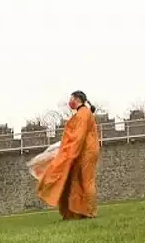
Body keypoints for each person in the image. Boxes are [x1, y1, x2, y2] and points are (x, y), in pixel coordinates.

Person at [35, 90, 100, 220]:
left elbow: (79, 136)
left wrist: (70, 153)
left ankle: (89, 211)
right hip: (83, 150)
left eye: (71, 99)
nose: (70, 102)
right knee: (76, 180)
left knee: (86, 181)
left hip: (85, 150)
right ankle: (77, 211)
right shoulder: (82, 114)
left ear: (77, 100)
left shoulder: (83, 114)